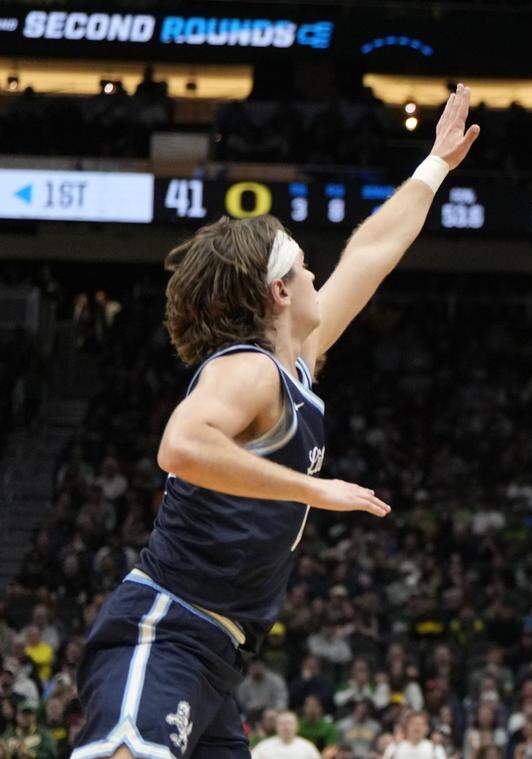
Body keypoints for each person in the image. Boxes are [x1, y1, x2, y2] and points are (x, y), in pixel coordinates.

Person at [69, 84, 480, 759]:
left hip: (217, 654)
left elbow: (371, 253)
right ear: (279, 291)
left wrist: (433, 166)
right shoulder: (249, 369)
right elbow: (180, 444)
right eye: (303, 264)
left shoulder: (298, 366)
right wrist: (315, 489)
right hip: (167, 629)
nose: (319, 273)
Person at [251, 711, 321, 759]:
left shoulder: (308, 747)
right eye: (282, 724)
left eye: (290, 723)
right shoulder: (263, 747)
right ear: (276, 726)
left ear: (297, 726)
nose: (286, 727)